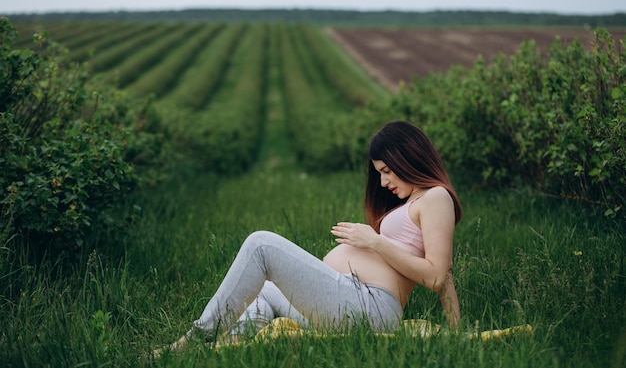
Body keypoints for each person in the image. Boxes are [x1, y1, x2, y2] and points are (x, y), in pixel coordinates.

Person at [153, 120, 462, 356]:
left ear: (407, 156)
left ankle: (193, 339)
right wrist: (457, 333)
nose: (383, 182)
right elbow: (444, 275)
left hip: (371, 308)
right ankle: (216, 350)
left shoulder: (435, 197)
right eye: (379, 173)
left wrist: (374, 241)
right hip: (354, 301)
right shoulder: (414, 201)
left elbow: (437, 275)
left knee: (261, 244)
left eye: (387, 171)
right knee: (267, 292)